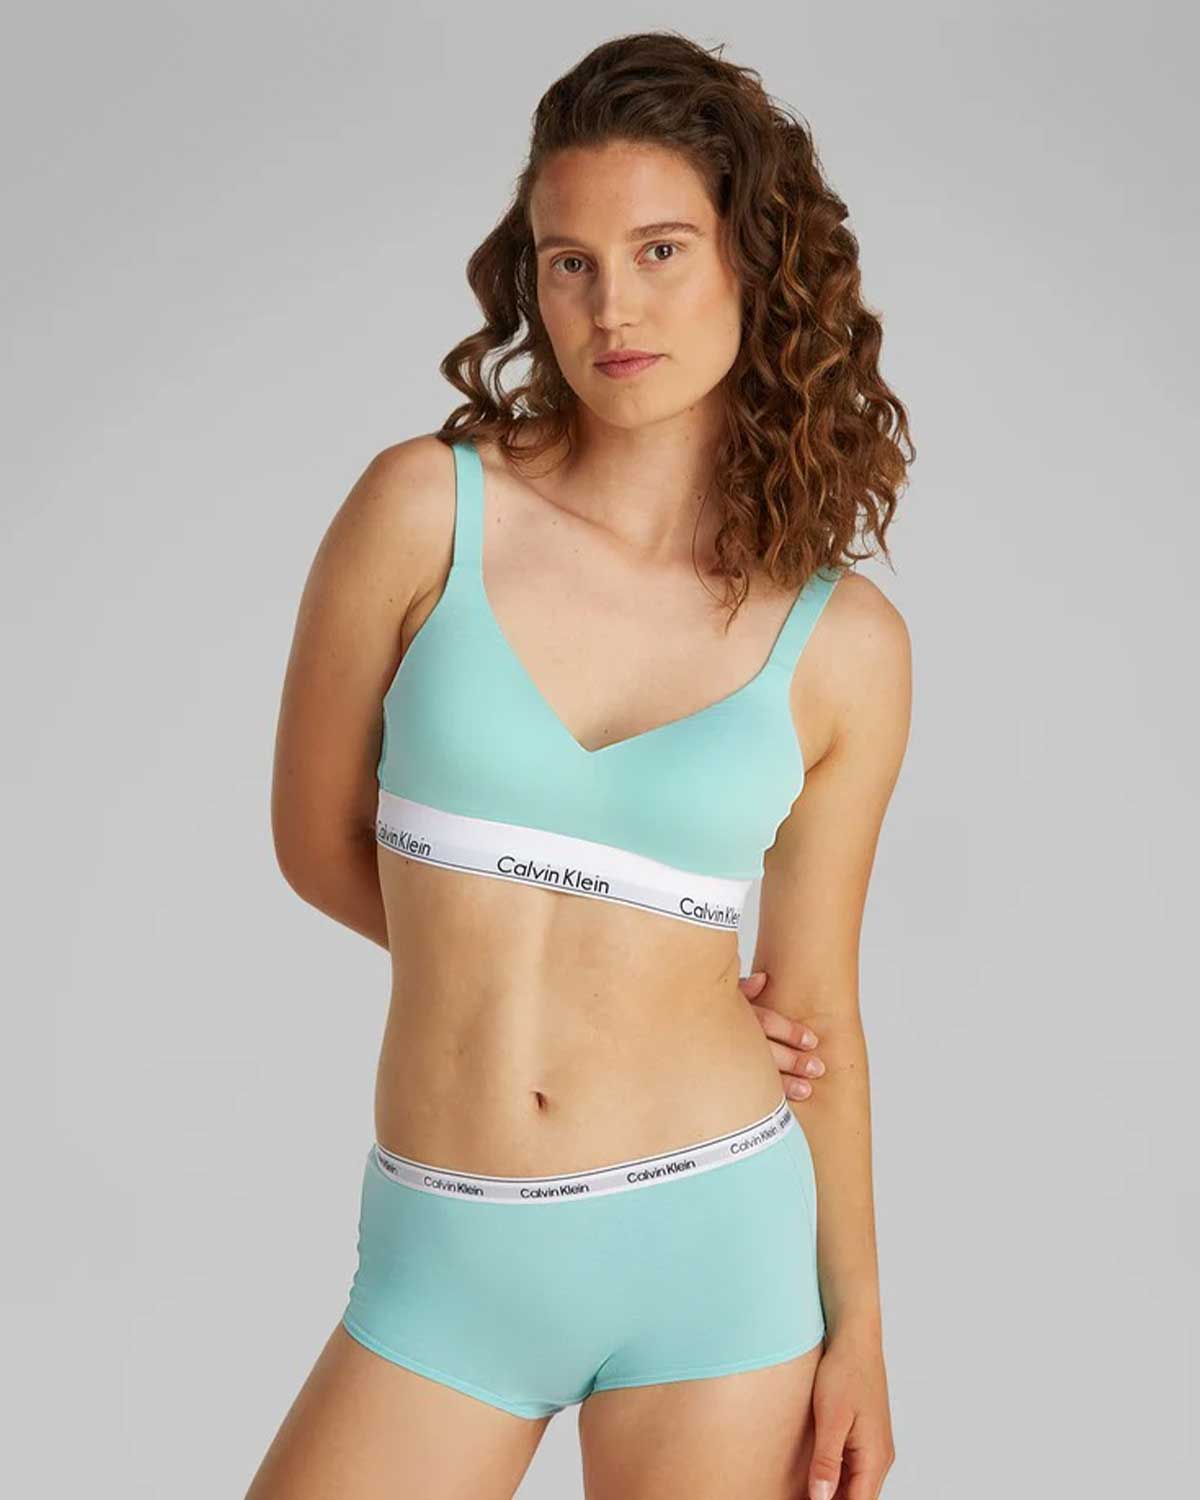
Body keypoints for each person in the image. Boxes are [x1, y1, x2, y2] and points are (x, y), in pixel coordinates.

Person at [248, 29, 913, 1500]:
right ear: (530, 281)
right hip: (447, 1252)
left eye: (661, 250)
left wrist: (860, 1328)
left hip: (718, 1249)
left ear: (755, 265)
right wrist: (503, 958)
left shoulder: (846, 646)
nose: (613, 305)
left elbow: (818, 1017)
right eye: (571, 262)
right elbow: (312, 840)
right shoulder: (423, 513)